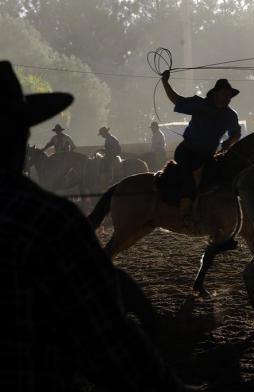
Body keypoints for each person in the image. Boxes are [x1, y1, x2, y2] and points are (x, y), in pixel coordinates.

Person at [0, 60, 189, 391]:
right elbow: (106, 345)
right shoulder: (47, 221)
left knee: (106, 164)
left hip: (111, 157)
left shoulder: (110, 142)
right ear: (20, 134)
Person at [161, 70, 241, 225]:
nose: (228, 98)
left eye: (230, 96)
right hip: (187, 151)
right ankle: (186, 214)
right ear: (216, 93)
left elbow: (236, 132)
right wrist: (165, 82)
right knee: (189, 179)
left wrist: (230, 141)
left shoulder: (230, 115)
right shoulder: (200, 104)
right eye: (226, 94)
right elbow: (177, 100)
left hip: (207, 155)